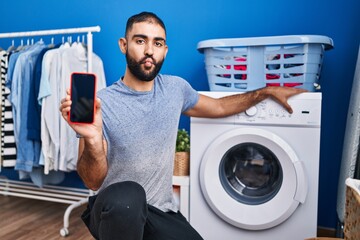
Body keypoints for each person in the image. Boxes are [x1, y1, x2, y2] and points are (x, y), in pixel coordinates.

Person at [59, 11, 306, 240]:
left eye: (157, 43)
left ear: (165, 50)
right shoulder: (102, 103)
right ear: (124, 45)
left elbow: (219, 107)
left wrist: (263, 92)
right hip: (113, 212)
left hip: (159, 212)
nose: (149, 51)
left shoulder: (175, 89)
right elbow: (92, 181)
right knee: (129, 196)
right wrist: (92, 140)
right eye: (140, 40)